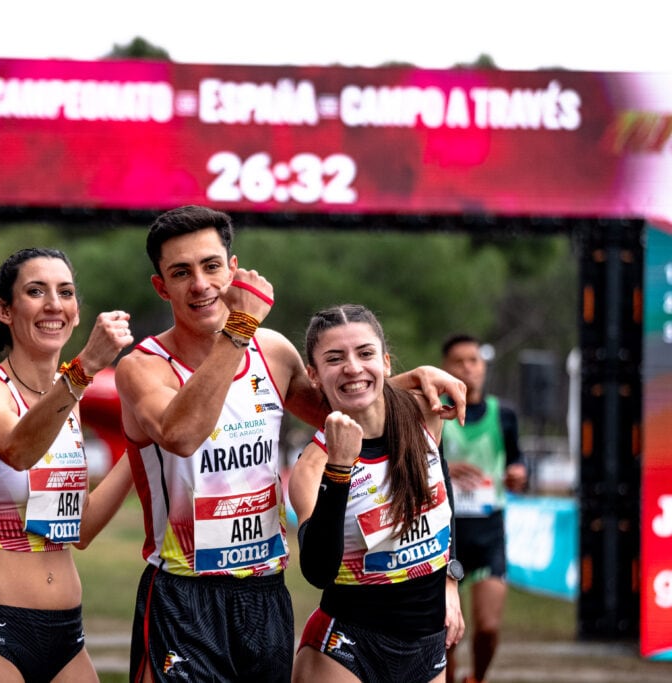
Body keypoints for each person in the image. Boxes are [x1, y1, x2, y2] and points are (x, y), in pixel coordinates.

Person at [114, 206, 467, 682]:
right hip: (186, 590)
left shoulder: (272, 350)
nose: (200, 284)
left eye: (211, 266)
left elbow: (345, 411)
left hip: (265, 587)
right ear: (162, 286)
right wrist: (239, 329)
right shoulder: (143, 367)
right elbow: (181, 434)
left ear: (232, 269)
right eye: (181, 273)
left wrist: (404, 383)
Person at [0, 247, 135, 683]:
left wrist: (141, 446)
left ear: (77, 312)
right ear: (4, 309)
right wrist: (85, 369)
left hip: (67, 633)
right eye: (36, 291)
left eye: (65, 292)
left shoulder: (68, 401)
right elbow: (17, 449)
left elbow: (77, 530)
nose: (53, 305)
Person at [289, 304, 465, 683]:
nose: (353, 368)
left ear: (385, 362)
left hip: (428, 643)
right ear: (314, 375)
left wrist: (451, 579)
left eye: (365, 353)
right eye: (335, 359)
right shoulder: (312, 467)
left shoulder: (425, 413)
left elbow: (442, 506)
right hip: (348, 648)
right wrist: (339, 469)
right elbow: (318, 571)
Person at [440, 334, 527, 683]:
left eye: (473, 360)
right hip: (444, 535)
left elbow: (517, 462)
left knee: (488, 627)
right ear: (445, 368)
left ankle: (476, 677)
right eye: (459, 361)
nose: (467, 367)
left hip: (489, 532)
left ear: (484, 367)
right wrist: (447, 470)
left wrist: (519, 474)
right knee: (445, 631)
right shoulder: (435, 412)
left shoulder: (503, 414)